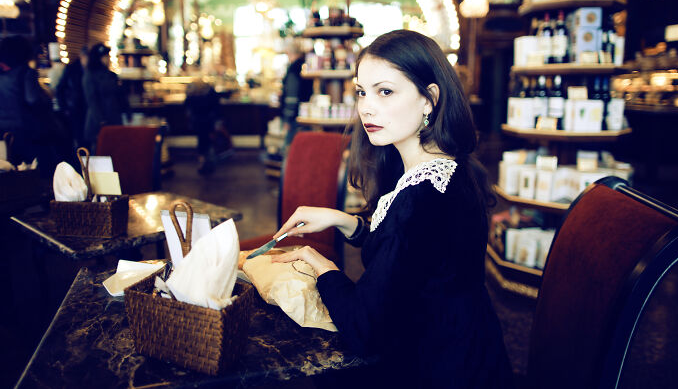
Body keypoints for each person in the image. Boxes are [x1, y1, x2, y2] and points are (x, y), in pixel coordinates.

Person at [266, 30, 513, 387]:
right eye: (361, 92)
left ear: (429, 99)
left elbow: (364, 328)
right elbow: (411, 255)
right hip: (472, 347)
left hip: (435, 366)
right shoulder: (450, 167)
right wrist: (344, 221)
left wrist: (323, 266)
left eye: (385, 91)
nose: (367, 107)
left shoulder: (419, 200)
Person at [0, 36, 71, 177]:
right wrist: (46, 97)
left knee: (14, 174)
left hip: (5, 132)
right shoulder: (25, 72)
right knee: (43, 171)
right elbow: (32, 100)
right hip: (29, 132)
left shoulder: (3, 74)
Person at [82, 43, 131, 151]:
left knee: (116, 150)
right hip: (98, 121)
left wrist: (127, 111)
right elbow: (92, 99)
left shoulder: (111, 75)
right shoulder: (90, 75)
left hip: (114, 118)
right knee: (100, 151)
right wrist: (100, 120)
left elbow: (120, 96)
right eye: (105, 56)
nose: (107, 59)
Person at [184, 78, 227, 175]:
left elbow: (187, 106)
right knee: (208, 140)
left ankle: (203, 160)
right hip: (209, 121)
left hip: (198, 121)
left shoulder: (192, 92)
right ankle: (208, 160)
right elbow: (217, 106)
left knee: (202, 140)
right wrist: (218, 120)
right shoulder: (210, 92)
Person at [280, 38, 313, 151]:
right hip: (304, 113)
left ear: (289, 52)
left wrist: (287, 119)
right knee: (303, 146)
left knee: (290, 149)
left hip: (294, 116)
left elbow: (291, 96)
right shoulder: (305, 66)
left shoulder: (293, 69)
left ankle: (288, 169)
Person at [56, 46, 88, 148]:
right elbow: (60, 89)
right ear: (82, 56)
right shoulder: (72, 69)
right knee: (77, 138)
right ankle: (79, 161)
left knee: (87, 138)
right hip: (74, 108)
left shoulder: (91, 69)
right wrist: (64, 107)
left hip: (87, 109)